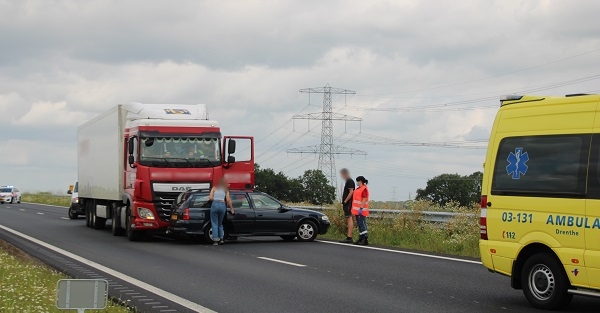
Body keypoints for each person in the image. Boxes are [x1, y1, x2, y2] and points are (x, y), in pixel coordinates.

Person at [209, 178, 235, 245]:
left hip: (215, 204)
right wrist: (232, 209)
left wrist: (214, 199)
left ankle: (215, 240)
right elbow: (228, 200)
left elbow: (210, 198)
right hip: (222, 205)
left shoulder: (214, 188)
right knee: (220, 223)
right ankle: (221, 239)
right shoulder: (225, 190)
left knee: (214, 223)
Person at [351, 176, 370, 245]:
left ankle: (365, 239)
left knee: (362, 224)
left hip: (361, 211)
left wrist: (361, 208)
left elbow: (364, 199)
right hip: (357, 210)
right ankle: (361, 238)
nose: (357, 183)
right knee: (360, 224)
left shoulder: (363, 189)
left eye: (358, 181)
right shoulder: (359, 189)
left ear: (360, 181)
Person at [339, 168, 355, 243]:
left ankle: (349, 237)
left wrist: (345, 201)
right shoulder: (348, 181)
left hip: (348, 203)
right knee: (348, 219)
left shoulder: (350, 181)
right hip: (347, 203)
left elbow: (351, 192)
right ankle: (349, 236)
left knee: (349, 219)